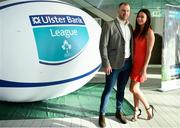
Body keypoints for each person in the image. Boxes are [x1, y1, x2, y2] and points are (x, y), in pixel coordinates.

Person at [98, 2, 133, 127]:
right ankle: (102, 114)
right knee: (108, 89)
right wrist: (106, 63)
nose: (125, 13)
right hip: (113, 65)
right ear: (118, 11)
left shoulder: (130, 27)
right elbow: (103, 46)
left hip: (127, 63)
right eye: (123, 10)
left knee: (121, 89)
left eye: (128, 11)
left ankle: (119, 112)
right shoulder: (109, 25)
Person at [129, 8, 155, 122]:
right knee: (135, 89)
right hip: (133, 63)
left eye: (142, 17)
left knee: (133, 88)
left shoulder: (149, 32)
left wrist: (144, 68)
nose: (139, 18)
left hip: (141, 64)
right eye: (138, 16)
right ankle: (136, 112)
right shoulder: (135, 31)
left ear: (147, 18)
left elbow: (149, 52)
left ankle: (148, 108)